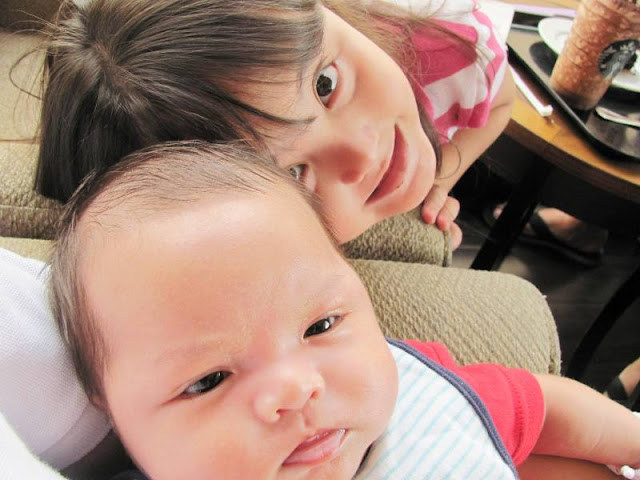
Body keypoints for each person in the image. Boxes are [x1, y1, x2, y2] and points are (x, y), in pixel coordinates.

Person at [48, 141, 640, 480]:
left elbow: (541, 406)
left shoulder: (422, 395)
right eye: (208, 380)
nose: (297, 388)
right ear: (109, 409)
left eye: (321, 326)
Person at [36, 0, 515, 250]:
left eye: (325, 84)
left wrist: (441, 178)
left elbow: (501, 101)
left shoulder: (453, 44)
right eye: (292, 174)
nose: (363, 152)